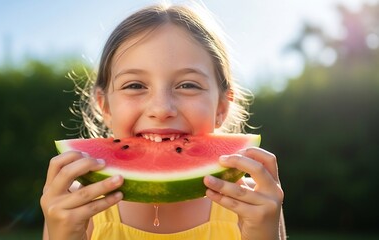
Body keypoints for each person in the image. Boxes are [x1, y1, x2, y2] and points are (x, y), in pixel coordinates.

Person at [40, 3, 285, 240]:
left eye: (188, 85)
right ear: (105, 106)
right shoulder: (75, 208)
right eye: (134, 85)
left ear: (221, 107)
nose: (161, 109)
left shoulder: (253, 203)